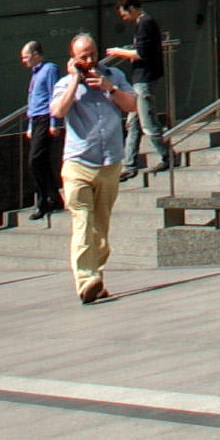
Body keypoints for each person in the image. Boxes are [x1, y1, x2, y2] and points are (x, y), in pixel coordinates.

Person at [50, 34, 136, 304]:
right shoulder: (64, 84)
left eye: (92, 54)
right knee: (83, 222)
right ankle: (85, 280)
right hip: (78, 164)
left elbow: (133, 105)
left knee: (100, 229)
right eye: (83, 56)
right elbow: (57, 111)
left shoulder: (114, 76)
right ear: (73, 58)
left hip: (110, 163)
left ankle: (95, 278)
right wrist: (74, 81)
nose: (89, 60)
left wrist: (111, 88)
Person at [104, 0, 171, 180]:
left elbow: (142, 53)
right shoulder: (145, 23)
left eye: (124, 13)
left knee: (147, 122)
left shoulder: (145, 23)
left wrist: (119, 52)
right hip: (141, 79)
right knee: (133, 123)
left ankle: (166, 156)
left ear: (132, 8)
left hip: (144, 79)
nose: (123, 18)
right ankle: (129, 164)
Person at [20, 44, 60, 221]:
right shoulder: (35, 73)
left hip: (45, 117)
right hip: (35, 119)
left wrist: (54, 122)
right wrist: (30, 125)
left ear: (35, 55)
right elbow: (32, 100)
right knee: (42, 162)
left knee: (35, 160)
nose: (23, 61)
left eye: (26, 57)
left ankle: (43, 201)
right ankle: (54, 198)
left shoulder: (50, 69)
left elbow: (54, 95)